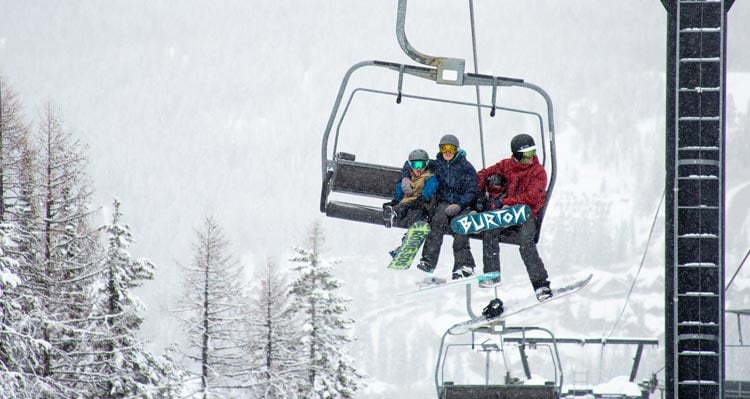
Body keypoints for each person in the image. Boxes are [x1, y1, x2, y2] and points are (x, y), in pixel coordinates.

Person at [475, 133, 552, 301]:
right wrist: (479, 192)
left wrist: (506, 202)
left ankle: (541, 285)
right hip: (507, 214)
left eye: (533, 153)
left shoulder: (538, 172)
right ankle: (492, 274)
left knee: (526, 243)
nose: (531, 158)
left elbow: (533, 196)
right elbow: (483, 174)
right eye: (527, 154)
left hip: (526, 214)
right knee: (490, 229)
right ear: (517, 155)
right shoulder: (506, 165)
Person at [416, 134, 478, 280]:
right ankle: (428, 261)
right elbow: (413, 164)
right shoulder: (437, 164)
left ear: (457, 150)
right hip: (444, 203)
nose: (447, 152)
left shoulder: (466, 167)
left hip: (463, 204)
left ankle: (463, 266)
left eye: (451, 148)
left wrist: (460, 204)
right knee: (437, 221)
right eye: (444, 148)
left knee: (460, 227)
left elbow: (472, 190)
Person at [383, 149, 437, 255]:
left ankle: (405, 241)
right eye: (415, 164)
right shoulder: (408, 178)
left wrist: (423, 198)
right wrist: (395, 201)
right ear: (410, 165)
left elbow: (430, 189)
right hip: (408, 204)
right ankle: (393, 213)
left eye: (421, 164)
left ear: (426, 164)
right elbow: (399, 190)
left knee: (415, 214)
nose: (418, 168)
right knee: (405, 207)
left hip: (423, 206)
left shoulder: (430, 177)